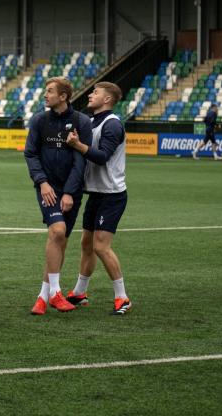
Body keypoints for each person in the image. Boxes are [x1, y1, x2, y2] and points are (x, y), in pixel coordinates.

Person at [24, 77, 92, 315]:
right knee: (58, 232)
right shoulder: (39, 120)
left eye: (50, 91)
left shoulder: (81, 122)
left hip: (70, 192)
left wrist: (71, 193)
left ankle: (43, 297)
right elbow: (30, 154)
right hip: (48, 189)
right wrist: (42, 183)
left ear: (63, 96)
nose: (45, 95)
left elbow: (80, 160)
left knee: (59, 241)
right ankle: (55, 293)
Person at [64, 82, 133, 315]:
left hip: (112, 195)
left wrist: (78, 145)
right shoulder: (92, 122)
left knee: (101, 247)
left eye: (96, 92)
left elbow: (102, 156)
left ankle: (122, 298)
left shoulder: (112, 124)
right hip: (96, 193)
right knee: (86, 244)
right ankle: (79, 292)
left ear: (107, 99)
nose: (91, 95)